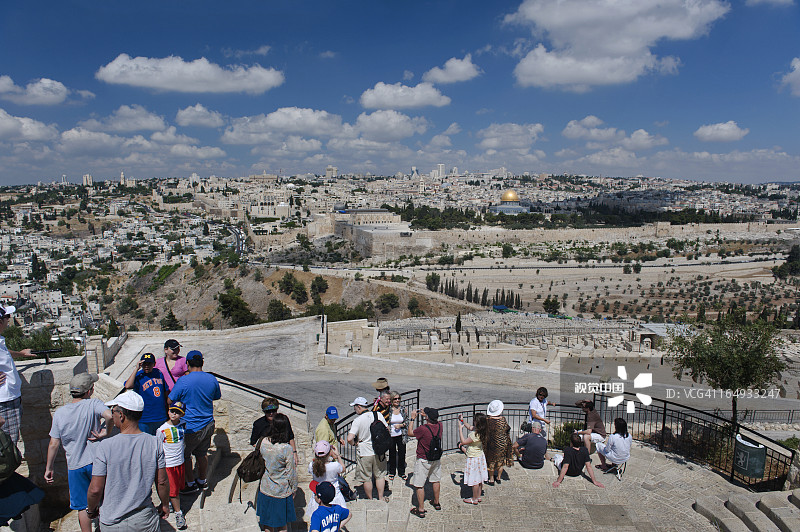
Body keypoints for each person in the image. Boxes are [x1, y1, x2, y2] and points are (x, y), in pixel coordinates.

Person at [86, 390, 170, 531]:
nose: (112, 414)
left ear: (122, 415)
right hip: (144, 520)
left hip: (113, 522)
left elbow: (95, 489)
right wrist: (165, 504)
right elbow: (162, 481)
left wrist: (91, 509)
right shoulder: (154, 443)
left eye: (113, 411)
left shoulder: (105, 446)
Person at [45, 373, 113, 532]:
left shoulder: (60, 413)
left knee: (82, 506)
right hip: (96, 462)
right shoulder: (93, 404)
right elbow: (109, 415)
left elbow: (54, 443)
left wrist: (49, 467)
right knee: (103, 499)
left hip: (75, 465)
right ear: (90, 390)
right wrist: (106, 432)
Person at [168, 350, 221, 494]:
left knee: (185, 455)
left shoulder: (184, 381)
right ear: (202, 362)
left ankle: (190, 483)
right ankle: (202, 481)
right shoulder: (211, 379)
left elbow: (171, 399)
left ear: (187, 364)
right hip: (208, 423)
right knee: (202, 453)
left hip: (191, 426)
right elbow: (216, 396)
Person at [256, 413, 297, 532]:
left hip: (265, 488)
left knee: (267, 524)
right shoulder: (286, 449)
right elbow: (291, 473)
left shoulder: (262, 442)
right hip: (281, 491)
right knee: (282, 525)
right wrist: (294, 489)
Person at [0, 305, 35, 444]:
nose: (9, 320)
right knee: (7, 447)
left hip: (10, 397)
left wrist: (21, 354)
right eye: (7, 317)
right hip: (5, 401)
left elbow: (4, 353)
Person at [346, 396, 388, 501]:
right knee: (380, 475)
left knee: (367, 478)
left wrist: (354, 443)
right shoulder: (378, 414)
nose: (354, 409)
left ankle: (370, 499)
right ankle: (381, 497)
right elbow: (387, 428)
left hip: (365, 452)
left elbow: (349, 438)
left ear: (359, 407)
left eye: (355, 407)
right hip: (378, 450)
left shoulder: (357, 420)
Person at [157, 401, 188, 530]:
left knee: (178, 487)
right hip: (168, 464)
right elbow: (158, 448)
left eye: (177, 412)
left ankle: (168, 502)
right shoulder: (162, 429)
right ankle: (178, 513)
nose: (174, 414)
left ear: (182, 415)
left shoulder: (183, 425)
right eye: (172, 411)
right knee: (174, 491)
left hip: (180, 463)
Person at [409, 407, 442, 518]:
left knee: (419, 484)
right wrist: (426, 415)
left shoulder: (422, 429)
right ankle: (436, 502)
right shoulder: (440, 426)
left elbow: (410, 433)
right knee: (435, 480)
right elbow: (433, 421)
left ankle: (421, 509)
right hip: (435, 458)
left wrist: (412, 419)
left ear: (427, 417)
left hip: (423, 459)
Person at [124, 352, 168, 435]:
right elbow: (128, 385)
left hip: (160, 415)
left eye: (149, 364)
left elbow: (165, 392)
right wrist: (136, 369)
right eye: (144, 364)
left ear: (154, 364)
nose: (146, 366)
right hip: (145, 417)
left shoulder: (159, 373)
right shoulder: (139, 375)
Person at [305, 441, 346, 519]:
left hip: (319, 499)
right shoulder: (334, 466)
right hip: (334, 498)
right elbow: (343, 468)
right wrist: (337, 456)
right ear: (329, 453)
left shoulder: (312, 465)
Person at [251, 397, 298, 464]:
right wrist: (268, 449)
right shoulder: (258, 424)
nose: (271, 413)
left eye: (274, 411)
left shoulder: (283, 420)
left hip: (283, 455)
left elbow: (290, 437)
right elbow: (253, 442)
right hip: (265, 458)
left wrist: (294, 453)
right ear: (264, 411)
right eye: (268, 411)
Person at [457, 412, 488, 505]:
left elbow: (463, 442)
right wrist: (462, 420)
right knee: (479, 478)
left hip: (473, 458)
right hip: (480, 456)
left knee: (475, 479)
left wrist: (460, 429)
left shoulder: (474, 435)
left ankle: (474, 499)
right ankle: (478, 496)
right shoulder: (483, 430)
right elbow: (470, 427)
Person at [484, 400, 513, 485]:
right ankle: (499, 477)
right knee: (500, 462)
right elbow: (507, 429)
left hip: (491, 444)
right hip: (502, 444)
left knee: (491, 462)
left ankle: (491, 479)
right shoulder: (503, 420)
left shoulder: (488, 420)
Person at [387, 391, 408, 481]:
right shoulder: (388, 410)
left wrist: (400, 425)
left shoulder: (403, 409)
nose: (397, 400)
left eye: (398, 398)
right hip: (391, 435)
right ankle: (392, 471)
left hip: (401, 435)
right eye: (395, 399)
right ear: (391, 400)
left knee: (402, 453)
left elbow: (407, 421)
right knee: (392, 454)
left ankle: (401, 471)